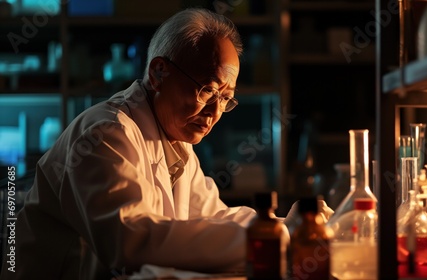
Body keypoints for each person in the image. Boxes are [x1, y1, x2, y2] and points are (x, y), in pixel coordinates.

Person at [1, 8, 332, 280]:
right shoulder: (106, 133)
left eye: (225, 98)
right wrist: (278, 238)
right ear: (159, 73)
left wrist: (285, 226)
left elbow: (213, 216)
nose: (215, 112)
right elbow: (131, 242)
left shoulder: (177, 142)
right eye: (206, 91)